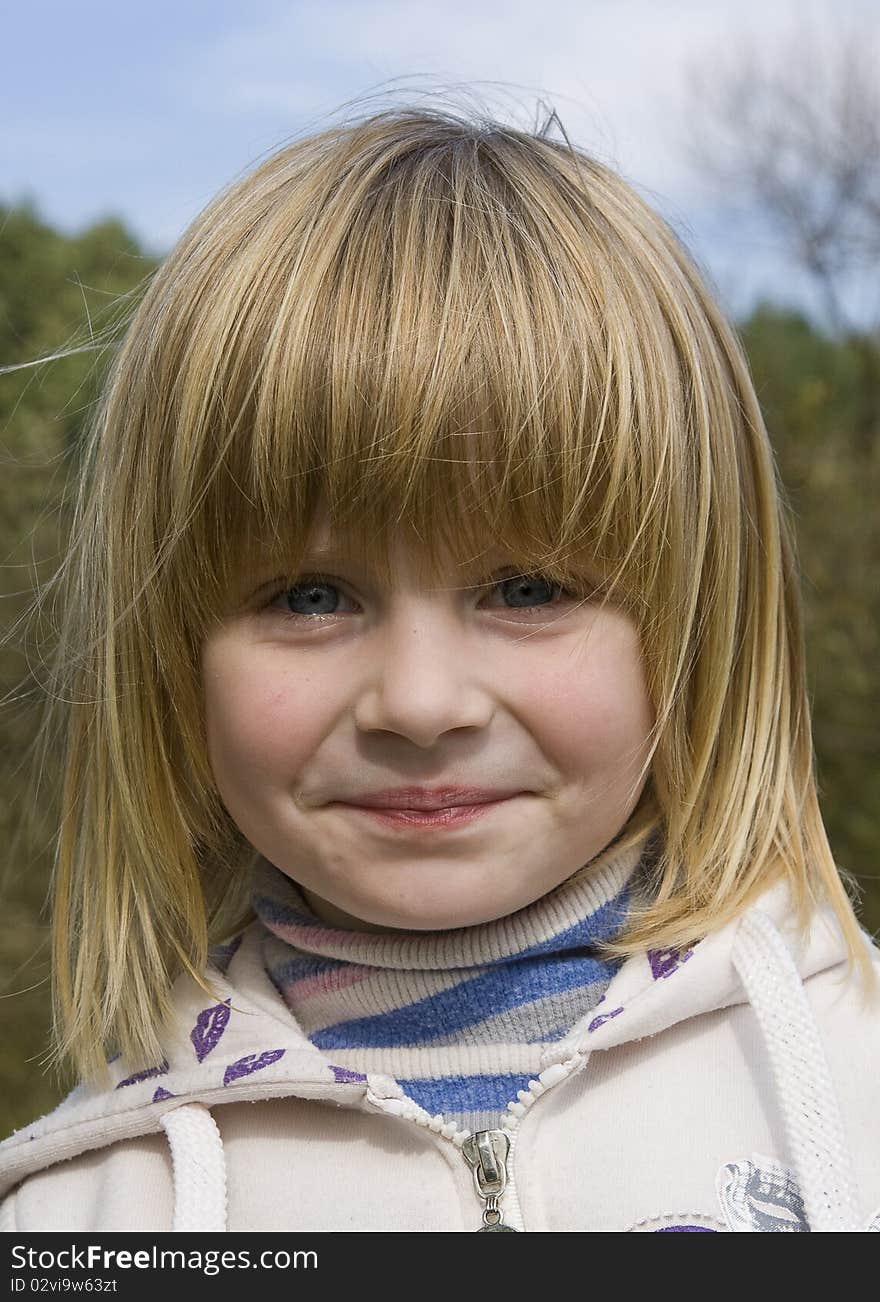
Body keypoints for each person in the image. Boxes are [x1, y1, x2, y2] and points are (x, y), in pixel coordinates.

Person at [1, 101, 878, 1234]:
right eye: (309, 598)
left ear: (700, 625)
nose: (420, 704)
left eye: (528, 590)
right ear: (172, 654)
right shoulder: (76, 1215)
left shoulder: (851, 1093)